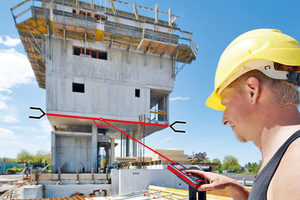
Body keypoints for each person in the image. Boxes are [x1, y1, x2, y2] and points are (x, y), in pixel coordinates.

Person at [187, 29, 300, 200]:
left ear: (252, 91)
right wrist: (236, 188)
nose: (224, 120)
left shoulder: (294, 167)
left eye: (226, 103)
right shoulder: (284, 160)